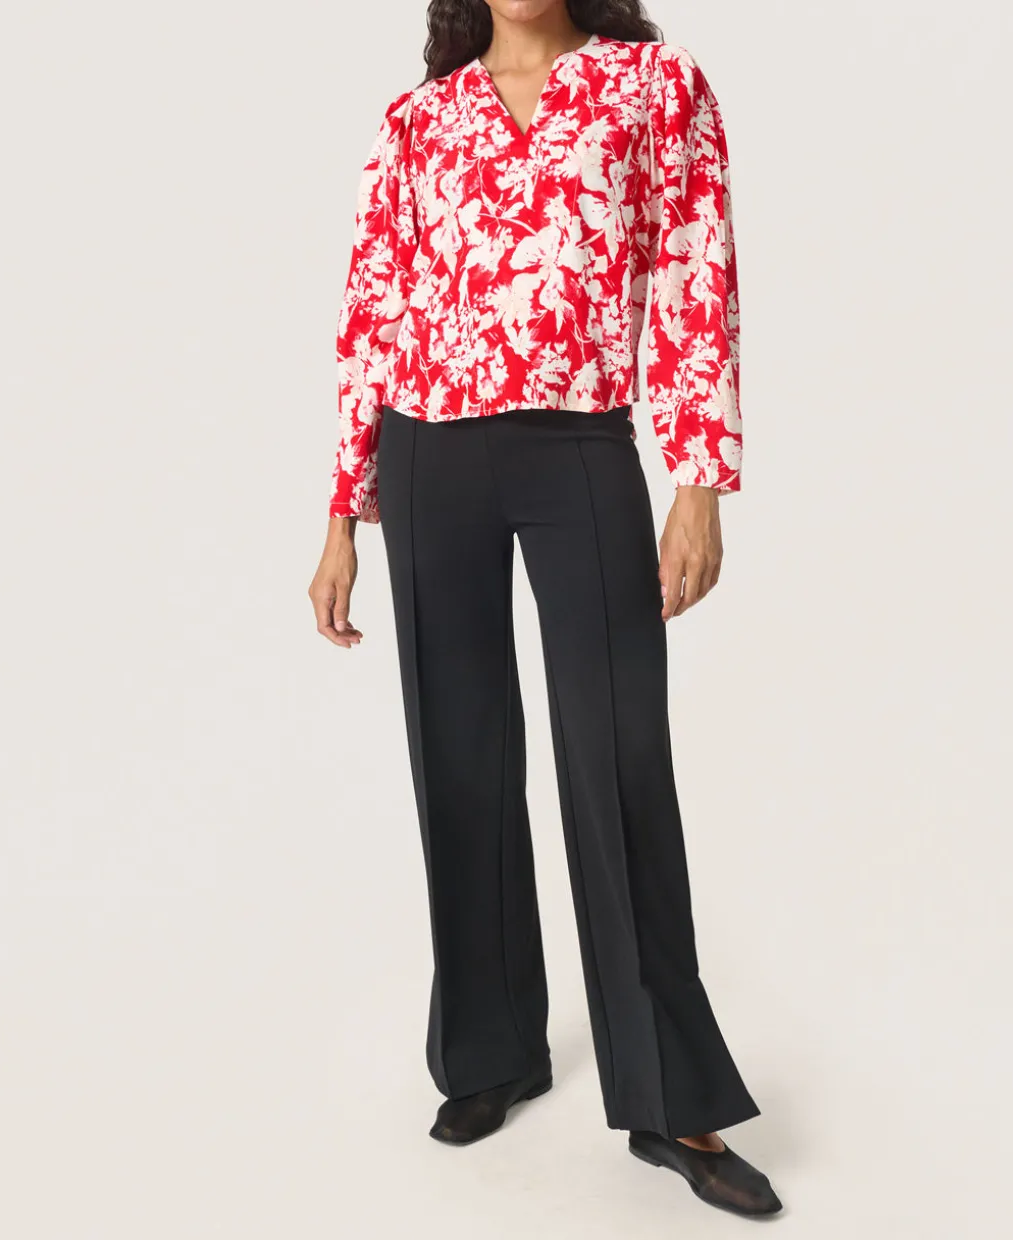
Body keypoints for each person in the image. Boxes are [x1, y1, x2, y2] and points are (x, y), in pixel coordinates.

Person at [308, 0, 782, 1218]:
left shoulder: (651, 87)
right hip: (426, 453)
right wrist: (343, 513)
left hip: (578, 445)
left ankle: (670, 1097)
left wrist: (699, 480)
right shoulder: (416, 120)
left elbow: (696, 268)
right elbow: (373, 309)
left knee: (616, 758)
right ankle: (490, 1049)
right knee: (459, 757)